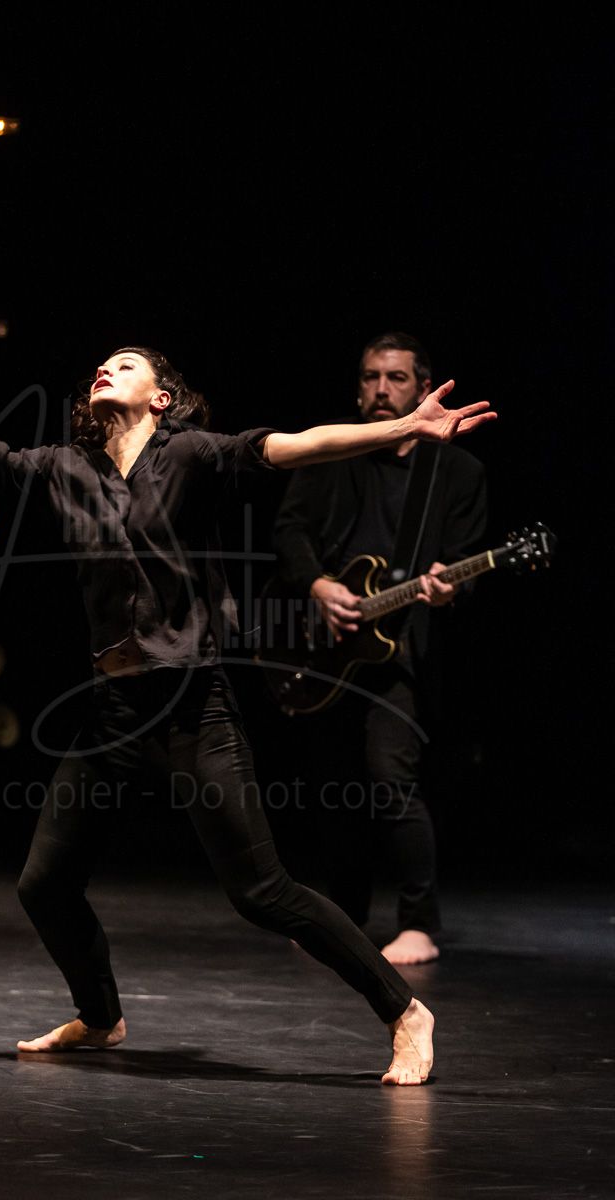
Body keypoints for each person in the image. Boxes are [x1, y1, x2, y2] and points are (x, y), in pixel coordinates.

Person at [0, 328, 496, 1085]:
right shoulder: (61, 466)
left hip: (191, 704)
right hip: (111, 709)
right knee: (44, 883)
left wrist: (404, 429)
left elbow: (298, 445)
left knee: (261, 892)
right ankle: (100, 1016)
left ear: (161, 397)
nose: (105, 367)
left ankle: (406, 1011)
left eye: (127, 364)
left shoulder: (193, 455)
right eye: (102, 363)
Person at [272, 332, 488, 964]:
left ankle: (419, 923)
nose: (381, 389)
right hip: (328, 644)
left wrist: (450, 587)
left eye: (395, 378)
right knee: (335, 786)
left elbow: (465, 564)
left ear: (423, 388)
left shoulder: (457, 472)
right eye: (370, 377)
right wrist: (318, 584)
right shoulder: (332, 454)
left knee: (391, 779)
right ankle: (343, 917)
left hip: (401, 649)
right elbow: (289, 529)